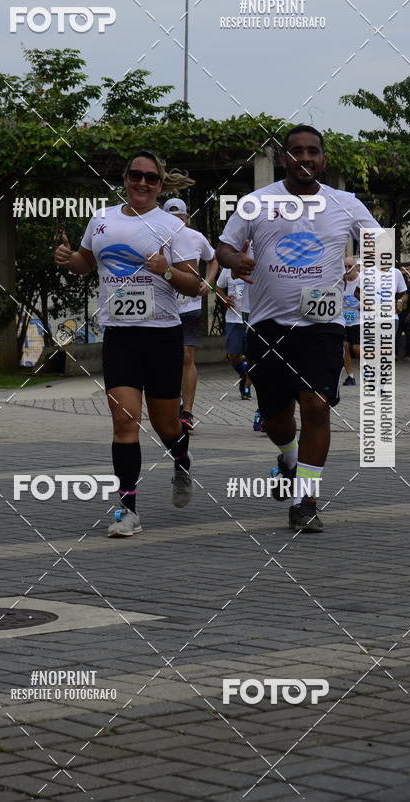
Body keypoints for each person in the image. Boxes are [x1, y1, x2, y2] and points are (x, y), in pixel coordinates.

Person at [216, 124, 381, 533]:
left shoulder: (345, 203)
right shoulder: (257, 203)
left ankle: (304, 500)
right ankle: (288, 460)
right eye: (296, 151)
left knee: (316, 406)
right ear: (283, 158)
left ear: (323, 159)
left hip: (322, 325)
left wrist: (364, 268)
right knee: (276, 419)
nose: (305, 157)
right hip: (268, 326)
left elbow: (380, 244)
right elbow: (224, 246)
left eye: (312, 151)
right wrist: (234, 260)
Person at [54, 150, 200, 538]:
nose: (142, 183)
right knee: (124, 422)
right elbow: (85, 263)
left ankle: (181, 460)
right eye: (136, 175)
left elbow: (195, 284)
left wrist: (166, 271)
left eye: (151, 178)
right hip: (119, 336)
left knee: (167, 425)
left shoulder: (172, 226)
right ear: (125, 178)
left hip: (162, 335)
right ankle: (127, 510)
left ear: (160, 184)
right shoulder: (101, 220)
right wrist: (68, 259)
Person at [163, 197, 218, 431]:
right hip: (164, 307)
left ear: (186, 218)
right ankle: (172, 405)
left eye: (179, 218)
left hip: (189, 306)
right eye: (170, 218)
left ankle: (187, 411)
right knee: (167, 358)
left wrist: (208, 282)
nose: (175, 222)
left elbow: (213, 259)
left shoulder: (196, 237)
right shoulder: (155, 236)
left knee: (186, 356)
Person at [215, 267, 252, 399]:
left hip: (254, 318)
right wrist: (224, 298)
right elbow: (218, 287)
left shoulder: (256, 266)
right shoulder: (227, 268)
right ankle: (244, 373)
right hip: (234, 318)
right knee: (233, 356)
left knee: (254, 356)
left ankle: (246, 387)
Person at [342, 257, 361, 386]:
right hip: (344, 319)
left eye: (350, 267)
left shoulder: (362, 279)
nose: (347, 269)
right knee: (345, 347)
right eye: (345, 267)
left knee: (357, 348)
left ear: (356, 267)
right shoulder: (340, 281)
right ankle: (350, 376)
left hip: (359, 318)